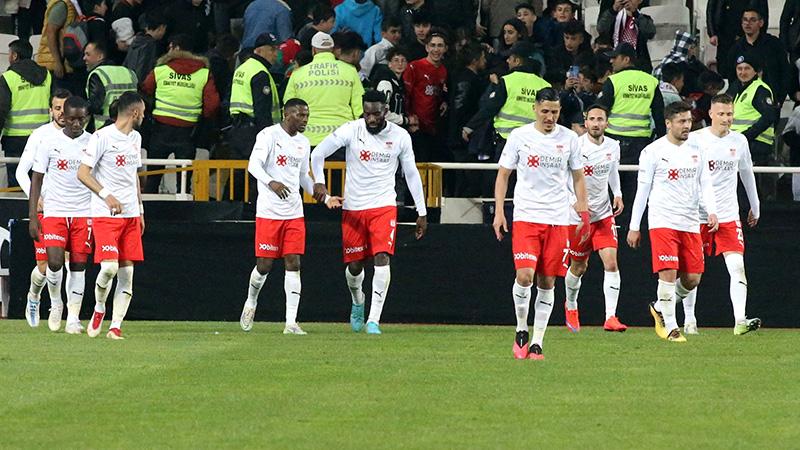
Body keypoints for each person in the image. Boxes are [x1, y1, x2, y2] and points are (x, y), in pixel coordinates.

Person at [310, 90, 428, 335]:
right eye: (367, 114)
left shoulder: (400, 136)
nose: (371, 119)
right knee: (355, 266)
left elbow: (411, 173)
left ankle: (374, 320)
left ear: (386, 111)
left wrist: (422, 210)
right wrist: (320, 183)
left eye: (376, 113)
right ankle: (357, 302)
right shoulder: (352, 129)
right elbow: (317, 153)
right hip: (353, 207)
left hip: (384, 206)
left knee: (382, 257)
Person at [493, 87, 590, 360]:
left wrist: (582, 212)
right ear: (535, 108)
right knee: (524, 276)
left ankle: (537, 342)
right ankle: (521, 328)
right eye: (545, 111)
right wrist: (499, 212)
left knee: (547, 282)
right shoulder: (519, 137)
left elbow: (578, 177)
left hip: (558, 219)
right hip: (526, 216)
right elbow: (503, 176)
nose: (550, 117)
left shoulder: (570, 138)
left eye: (555, 112)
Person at [240, 98, 343, 334]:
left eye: (307, 115)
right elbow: (253, 166)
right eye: (300, 115)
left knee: (294, 262)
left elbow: (302, 177)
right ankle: (251, 301)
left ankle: (291, 323)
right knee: (264, 266)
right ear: (287, 115)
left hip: (294, 213)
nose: (305, 119)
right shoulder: (268, 136)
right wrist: (271, 182)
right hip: (268, 212)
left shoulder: (304, 143)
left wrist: (325, 197)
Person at [626, 101, 718, 343]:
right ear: (668, 123)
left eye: (689, 121)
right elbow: (642, 192)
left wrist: (712, 211)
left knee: (693, 278)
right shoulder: (652, 152)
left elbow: (705, 184)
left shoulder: (697, 150)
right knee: (668, 273)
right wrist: (634, 226)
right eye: (681, 121)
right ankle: (671, 326)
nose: (687, 126)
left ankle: (659, 307)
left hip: (689, 222)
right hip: (662, 220)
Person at [678, 94, 762, 336]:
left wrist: (755, 206)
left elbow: (747, 174)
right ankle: (689, 320)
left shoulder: (740, 141)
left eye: (730, 114)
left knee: (737, 266)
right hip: (698, 214)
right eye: (722, 114)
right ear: (711, 114)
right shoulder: (695, 140)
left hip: (728, 214)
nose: (726, 118)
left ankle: (739, 321)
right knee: (692, 270)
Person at [77, 91, 147, 340]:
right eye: (143, 112)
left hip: (129, 215)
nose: (144, 117)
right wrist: (107, 195)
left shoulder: (136, 138)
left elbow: (133, 177)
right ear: (135, 112)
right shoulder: (101, 137)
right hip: (105, 214)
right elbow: (83, 173)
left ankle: (115, 326)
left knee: (127, 274)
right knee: (108, 268)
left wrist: (140, 210)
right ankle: (99, 308)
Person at [27, 96, 93, 334]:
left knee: (78, 265)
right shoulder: (48, 142)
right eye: (72, 119)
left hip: (83, 212)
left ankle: (73, 318)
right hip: (54, 210)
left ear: (87, 117)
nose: (77, 124)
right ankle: (56, 305)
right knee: (54, 263)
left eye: (81, 119)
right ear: (62, 117)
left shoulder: (93, 143)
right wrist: (34, 216)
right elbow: (36, 179)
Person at [563, 104, 627, 333]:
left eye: (601, 119)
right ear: (585, 122)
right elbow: (565, 179)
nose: (596, 123)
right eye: (592, 119)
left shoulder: (613, 146)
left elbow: (612, 171)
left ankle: (611, 317)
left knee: (611, 262)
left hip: (603, 215)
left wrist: (617, 193)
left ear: (606, 123)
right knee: (578, 267)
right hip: (578, 218)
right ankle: (571, 305)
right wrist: (577, 205)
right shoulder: (575, 147)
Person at [16, 89, 70, 329]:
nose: (60, 113)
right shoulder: (40, 136)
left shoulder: (82, 137)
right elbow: (20, 171)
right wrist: (34, 197)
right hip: (45, 209)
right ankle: (34, 296)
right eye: (56, 108)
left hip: (71, 208)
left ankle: (59, 307)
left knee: (68, 261)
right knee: (44, 266)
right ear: (50, 110)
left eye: (64, 108)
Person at [141, 34, 221, 193]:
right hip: (187, 133)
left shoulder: (160, 70)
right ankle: (184, 213)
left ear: (175, 48)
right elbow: (212, 105)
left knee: (153, 176)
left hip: (160, 130)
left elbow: (145, 89)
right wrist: (202, 117)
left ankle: (150, 213)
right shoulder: (203, 73)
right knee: (184, 181)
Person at [596, 42, 664, 208]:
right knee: (636, 190)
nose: (612, 62)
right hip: (640, 144)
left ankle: (616, 228)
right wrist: (661, 144)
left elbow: (600, 110)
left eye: (615, 58)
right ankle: (632, 228)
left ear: (626, 59)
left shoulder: (613, 81)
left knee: (613, 188)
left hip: (613, 142)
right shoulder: (651, 82)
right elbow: (660, 116)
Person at [464, 41, 551, 162]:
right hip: (536, 145)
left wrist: (469, 127)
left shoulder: (507, 81)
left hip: (507, 143)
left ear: (517, 61)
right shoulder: (545, 85)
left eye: (510, 58)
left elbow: (490, 108)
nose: (507, 61)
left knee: (504, 179)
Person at [227, 33, 282, 199]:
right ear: (259, 50)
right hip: (253, 132)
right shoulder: (260, 73)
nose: (276, 53)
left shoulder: (243, 68)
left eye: (277, 49)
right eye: (272, 49)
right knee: (255, 175)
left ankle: (229, 209)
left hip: (238, 129)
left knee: (238, 174)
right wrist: (269, 139)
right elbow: (262, 111)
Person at [283, 32, 364, 146]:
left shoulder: (297, 74)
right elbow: (359, 108)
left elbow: (289, 107)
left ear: (313, 50)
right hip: (342, 138)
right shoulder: (350, 70)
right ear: (332, 50)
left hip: (308, 139)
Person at [1, 39, 52, 188]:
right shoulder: (47, 76)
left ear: (15, 56)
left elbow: (1, 110)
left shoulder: (8, 78)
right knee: (41, 183)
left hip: (15, 140)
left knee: (18, 185)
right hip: (43, 137)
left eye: (9, 54)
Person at [729, 54, 777, 198]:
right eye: (739, 69)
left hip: (756, 144)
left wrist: (746, 136)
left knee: (749, 186)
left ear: (756, 71)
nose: (742, 72)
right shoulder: (736, 87)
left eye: (747, 68)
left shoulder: (760, 89)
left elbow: (769, 116)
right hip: (739, 144)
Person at [723, 9, 790, 105]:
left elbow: (785, 72)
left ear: (761, 23)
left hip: (770, 100)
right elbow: (731, 76)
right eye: (745, 20)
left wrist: (780, 99)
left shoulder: (773, 44)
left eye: (752, 20)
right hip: (744, 102)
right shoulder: (736, 47)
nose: (747, 23)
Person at [403, 31, 448, 162]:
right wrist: (409, 117)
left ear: (445, 48)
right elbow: (406, 94)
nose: (436, 49)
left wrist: (444, 102)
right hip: (415, 126)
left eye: (440, 46)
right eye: (432, 45)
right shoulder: (414, 67)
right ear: (426, 47)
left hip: (433, 128)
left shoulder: (444, 70)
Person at [84, 41, 138, 131]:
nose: (84, 58)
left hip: (104, 127)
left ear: (100, 56)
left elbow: (95, 105)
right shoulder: (129, 73)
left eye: (88, 54)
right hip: (129, 127)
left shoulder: (98, 74)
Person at [597, 0, 656, 72]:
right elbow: (601, 29)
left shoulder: (643, 16)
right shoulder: (611, 13)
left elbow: (650, 33)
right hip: (614, 61)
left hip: (639, 63)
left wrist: (635, 13)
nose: (627, 1)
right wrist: (613, 10)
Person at [36, 0, 82, 93]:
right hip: (56, 65)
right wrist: (57, 62)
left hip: (68, 63)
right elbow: (51, 32)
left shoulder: (73, 5)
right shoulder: (61, 5)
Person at [707, 0, 769, 67]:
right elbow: (711, 9)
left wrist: (761, 37)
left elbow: (763, 13)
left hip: (749, 36)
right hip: (724, 35)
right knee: (724, 66)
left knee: (749, 66)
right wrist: (712, 33)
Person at [123, 12, 168, 84]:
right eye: (165, 29)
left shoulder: (137, 40)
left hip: (128, 82)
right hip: (140, 86)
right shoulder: (150, 44)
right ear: (161, 27)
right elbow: (144, 68)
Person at [372, 47, 412, 128]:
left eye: (403, 60)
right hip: (385, 128)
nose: (400, 64)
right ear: (389, 64)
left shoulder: (400, 83)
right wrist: (405, 120)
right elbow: (382, 112)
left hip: (395, 128)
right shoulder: (385, 83)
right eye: (396, 60)